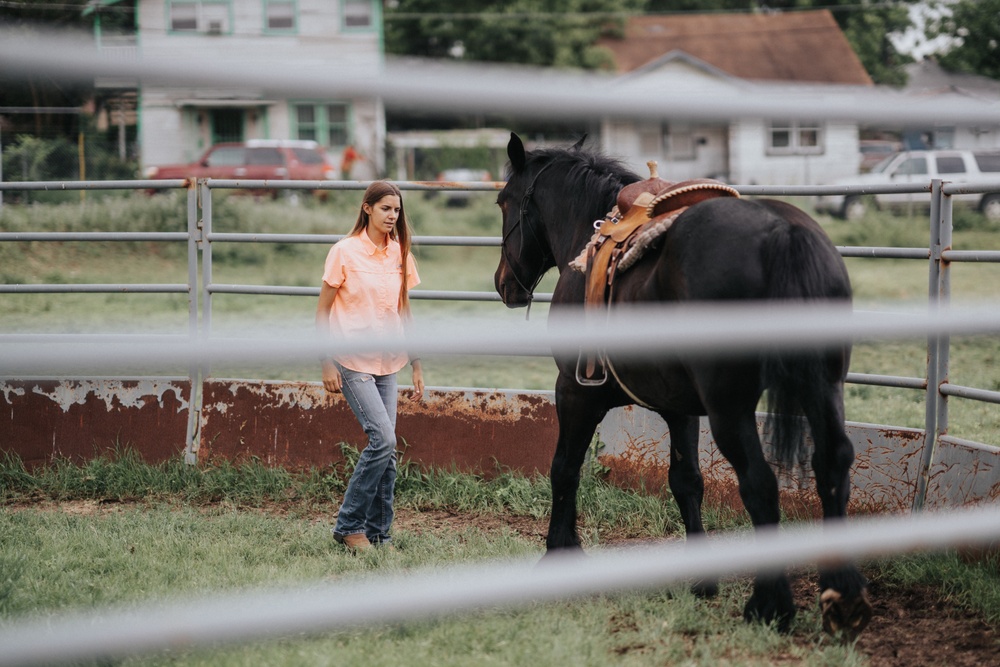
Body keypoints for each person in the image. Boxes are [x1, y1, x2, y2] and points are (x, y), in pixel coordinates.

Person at [315, 180, 423, 552]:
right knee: (384, 439)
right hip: (349, 358)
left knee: (387, 452)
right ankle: (349, 526)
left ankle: (380, 534)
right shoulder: (344, 252)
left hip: (388, 360)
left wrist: (417, 362)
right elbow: (322, 312)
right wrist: (326, 363)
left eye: (396, 210)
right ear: (367, 209)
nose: (392, 216)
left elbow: (404, 310)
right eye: (385, 209)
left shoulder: (400, 252)